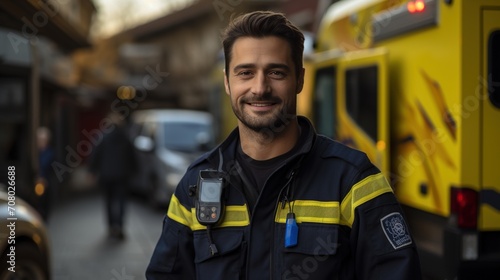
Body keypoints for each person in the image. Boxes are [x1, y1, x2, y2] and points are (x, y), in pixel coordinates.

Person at [146, 11, 421, 279]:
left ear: (299, 79)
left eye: (276, 72)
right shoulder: (195, 186)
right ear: (227, 82)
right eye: (245, 73)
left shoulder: (354, 182)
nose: (260, 88)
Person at [89, 111, 137, 240]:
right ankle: (120, 226)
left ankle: (111, 226)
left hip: (106, 175)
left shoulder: (103, 137)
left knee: (109, 201)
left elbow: (95, 154)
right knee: (121, 201)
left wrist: (93, 171)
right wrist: (134, 171)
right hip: (122, 175)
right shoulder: (126, 138)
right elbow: (132, 157)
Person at [37, 126, 55, 221]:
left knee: (45, 206)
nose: (41, 141)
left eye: (43, 139)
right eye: (40, 139)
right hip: (37, 183)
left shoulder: (50, 153)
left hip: (46, 184)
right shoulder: (35, 152)